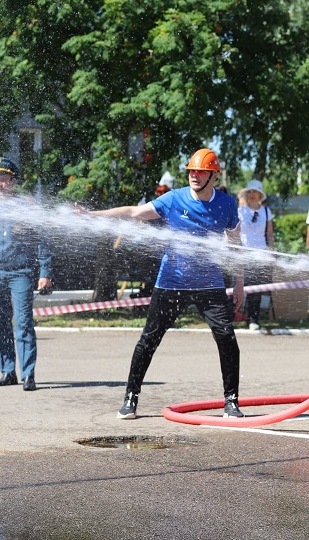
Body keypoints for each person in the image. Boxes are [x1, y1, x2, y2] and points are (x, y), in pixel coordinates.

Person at [88, 148, 245, 420]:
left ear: (213, 175)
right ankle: (130, 398)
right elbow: (134, 212)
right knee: (149, 339)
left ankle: (231, 401)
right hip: (171, 282)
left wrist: (240, 283)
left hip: (210, 284)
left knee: (227, 338)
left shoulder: (227, 204)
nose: (194, 176)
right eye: (191, 172)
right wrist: (95, 215)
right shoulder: (173, 198)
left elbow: (236, 244)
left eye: (200, 172)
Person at [0, 157, 53, 392]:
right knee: (0, 323)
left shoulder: (27, 207)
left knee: (23, 323)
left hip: (20, 274)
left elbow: (41, 241)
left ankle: (28, 374)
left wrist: (45, 272)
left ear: (13, 181)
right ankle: (7, 371)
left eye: (3, 180)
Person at [238, 179, 274, 331]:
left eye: (255, 191)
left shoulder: (266, 211)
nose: (252, 194)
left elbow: (270, 234)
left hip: (260, 253)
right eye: (250, 191)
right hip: (243, 253)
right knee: (239, 285)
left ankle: (253, 319)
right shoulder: (240, 211)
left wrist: (272, 253)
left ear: (260, 194)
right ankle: (234, 315)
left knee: (256, 287)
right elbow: (235, 232)